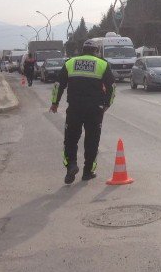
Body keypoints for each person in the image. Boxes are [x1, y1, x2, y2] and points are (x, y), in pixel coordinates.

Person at [49, 41, 115, 184]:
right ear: (96, 51)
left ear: (82, 50)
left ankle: (71, 166)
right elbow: (112, 87)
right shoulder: (102, 64)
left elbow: (58, 85)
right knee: (92, 141)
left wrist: (55, 103)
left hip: (74, 109)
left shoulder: (70, 63)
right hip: (94, 110)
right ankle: (88, 172)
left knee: (70, 140)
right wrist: (107, 104)